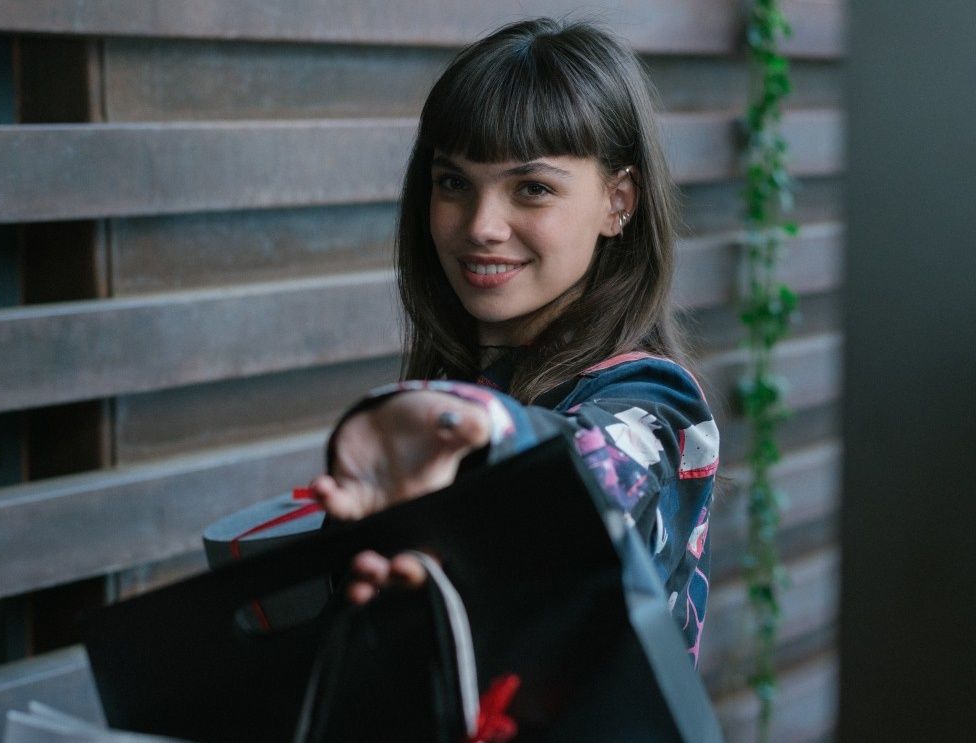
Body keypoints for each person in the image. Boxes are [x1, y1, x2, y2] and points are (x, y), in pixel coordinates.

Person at [307, 17, 718, 664]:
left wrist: (473, 432)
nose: (482, 226)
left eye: (532, 188)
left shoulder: (651, 401)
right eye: (454, 183)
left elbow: (590, 478)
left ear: (619, 202)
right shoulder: (458, 385)